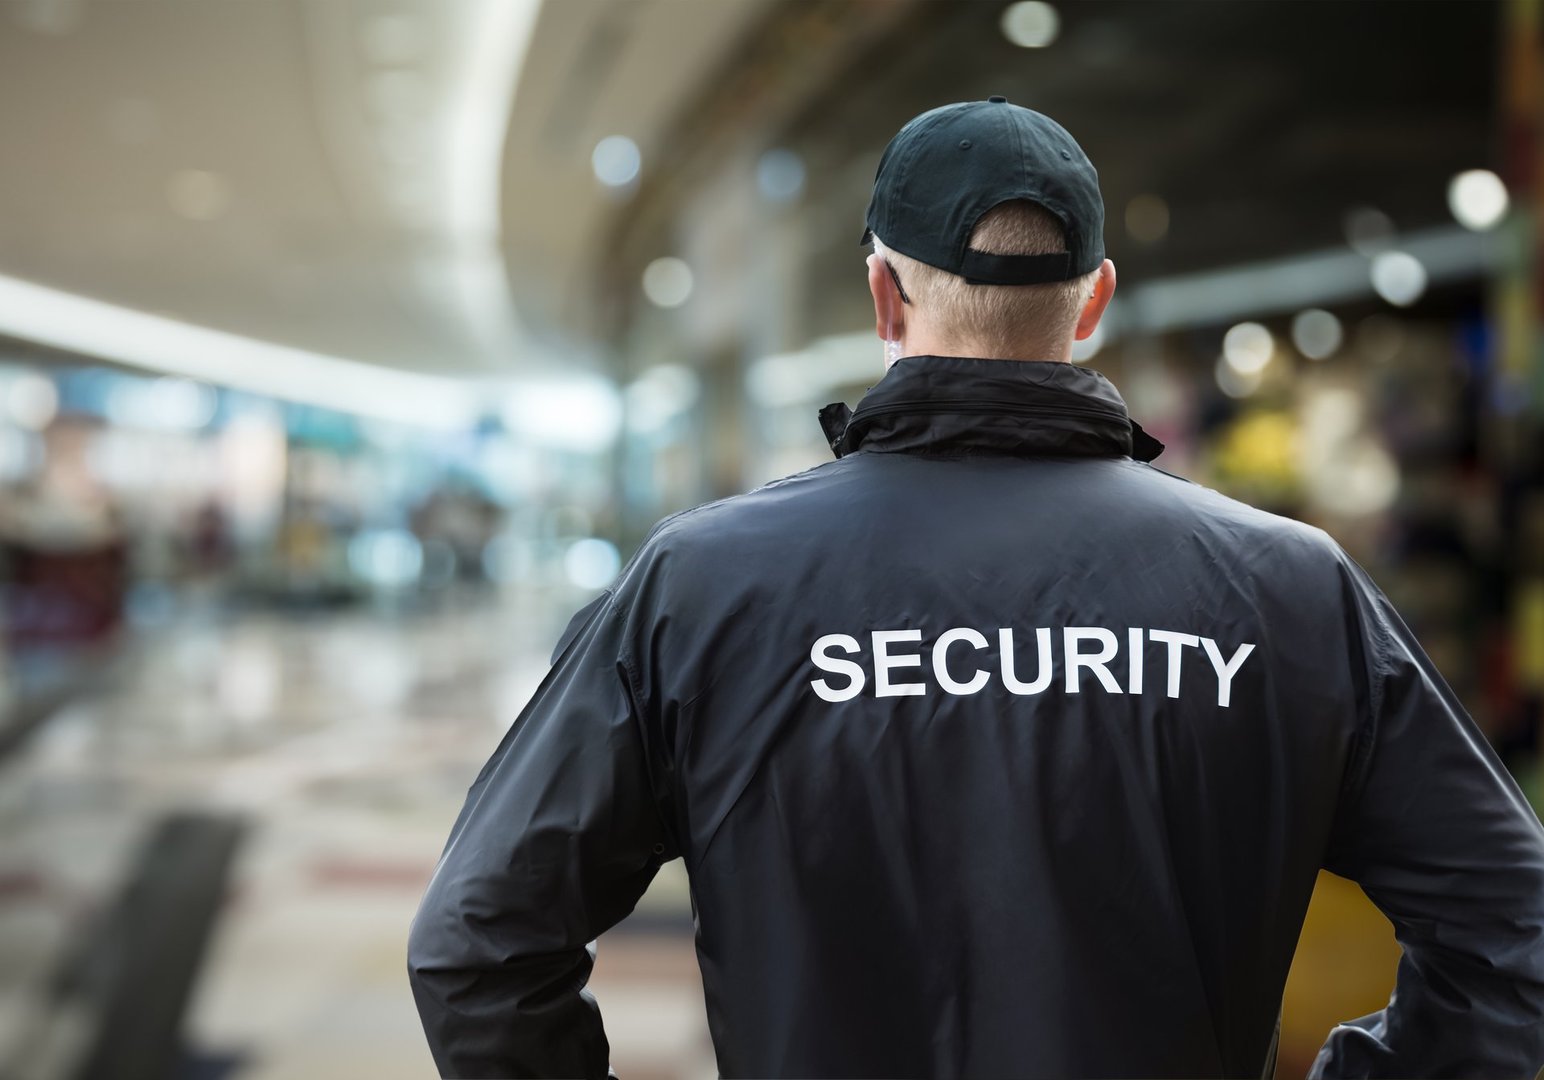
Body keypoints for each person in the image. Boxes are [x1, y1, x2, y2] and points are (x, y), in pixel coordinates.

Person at [407, 98, 1544, 1078]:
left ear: (881, 296)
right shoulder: (1284, 588)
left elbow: (479, 941)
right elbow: (1517, 933)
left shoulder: (704, 586)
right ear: (1091, 300)